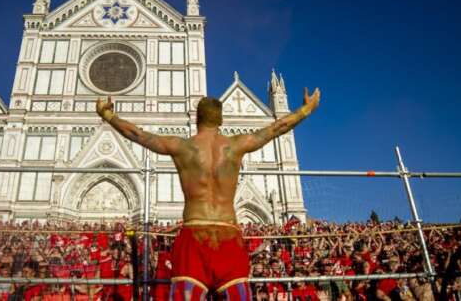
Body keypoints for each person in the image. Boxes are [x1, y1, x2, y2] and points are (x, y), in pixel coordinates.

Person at [96, 87, 320, 300]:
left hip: (193, 237)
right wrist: (305, 110)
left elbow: (137, 134)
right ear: (221, 120)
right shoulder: (236, 145)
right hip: (229, 238)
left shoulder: (181, 146)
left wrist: (107, 115)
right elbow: (277, 127)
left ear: (196, 118)